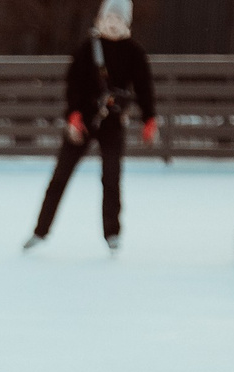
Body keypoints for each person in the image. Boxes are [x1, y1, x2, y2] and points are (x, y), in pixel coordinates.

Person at [24, 0, 156, 253]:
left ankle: (112, 233)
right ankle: (40, 230)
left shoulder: (134, 52)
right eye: (109, 17)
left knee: (111, 177)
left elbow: (143, 86)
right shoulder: (87, 49)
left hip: (113, 122)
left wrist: (150, 117)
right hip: (83, 121)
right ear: (100, 18)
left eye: (118, 19)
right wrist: (73, 114)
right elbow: (73, 84)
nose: (113, 23)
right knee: (60, 177)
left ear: (127, 22)